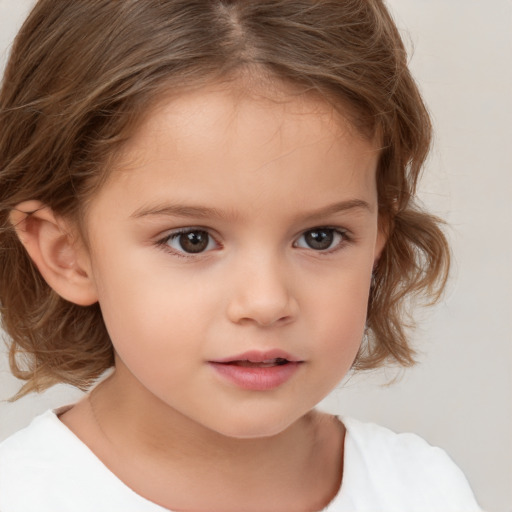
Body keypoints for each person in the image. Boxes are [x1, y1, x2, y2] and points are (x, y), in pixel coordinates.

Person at [0, 1, 482, 510]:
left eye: (320, 237)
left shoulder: (423, 490)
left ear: (378, 240)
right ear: (66, 254)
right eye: (192, 240)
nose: (266, 301)